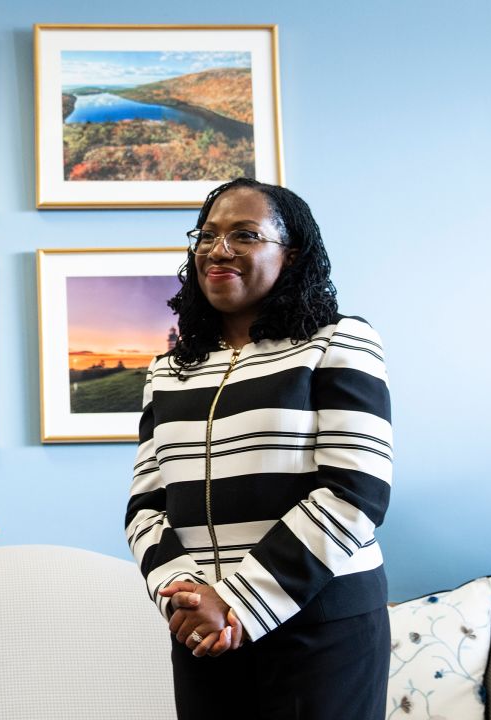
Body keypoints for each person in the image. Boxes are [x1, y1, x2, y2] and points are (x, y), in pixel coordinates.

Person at [126, 178, 393, 719]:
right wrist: (183, 596)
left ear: (290, 255)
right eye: (207, 236)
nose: (219, 250)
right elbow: (146, 506)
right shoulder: (168, 371)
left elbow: (355, 493)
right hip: (205, 634)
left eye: (244, 235)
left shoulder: (338, 342)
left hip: (321, 633)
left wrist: (238, 603)